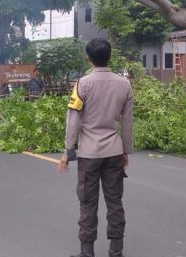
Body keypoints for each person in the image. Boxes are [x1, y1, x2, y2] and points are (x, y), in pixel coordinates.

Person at [58, 38, 134, 257]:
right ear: (109, 56)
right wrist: (125, 152)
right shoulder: (124, 85)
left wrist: (68, 151)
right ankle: (116, 252)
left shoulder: (82, 84)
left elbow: (74, 120)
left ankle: (87, 253)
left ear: (88, 58)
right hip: (113, 151)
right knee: (115, 202)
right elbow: (127, 122)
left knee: (88, 202)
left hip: (89, 154)